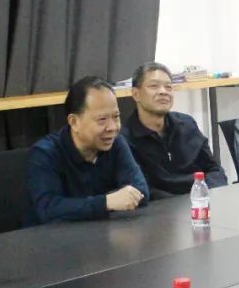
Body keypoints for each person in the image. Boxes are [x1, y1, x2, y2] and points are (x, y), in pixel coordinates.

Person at [26, 75, 149, 224]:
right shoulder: (45, 153)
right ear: (74, 122)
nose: (112, 127)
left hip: (102, 231)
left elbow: (140, 190)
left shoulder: (116, 143)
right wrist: (106, 202)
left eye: (116, 117)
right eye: (102, 120)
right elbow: (48, 209)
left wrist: (107, 202)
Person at [124, 61, 227, 198]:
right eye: (154, 86)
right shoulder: (125, 138)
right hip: (160, 207)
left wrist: (207, 194)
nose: (163, 92)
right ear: (136, 94)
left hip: (199, 201)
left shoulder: (187, 124)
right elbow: (140, 189)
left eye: (168, 87)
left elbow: (214, 170)